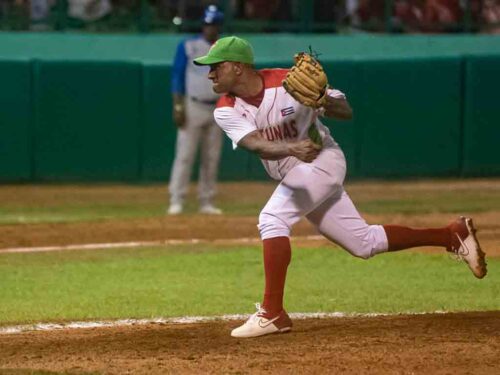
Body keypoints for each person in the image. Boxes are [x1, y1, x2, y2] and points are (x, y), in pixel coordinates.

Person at [193, 36, 488, 338]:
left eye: (216, 66)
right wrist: (294, 148)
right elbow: (255, 144)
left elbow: (346, 110)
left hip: (323, 161)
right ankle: (451, 235)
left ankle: (273, 314)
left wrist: (324, 100)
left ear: (239, 67)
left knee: (272, 219)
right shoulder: (225, 108)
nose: (210, 74)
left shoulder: (287, 82)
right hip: (297, 171)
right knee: (363, 243)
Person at [167, 4, 224, 215]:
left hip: (217, 107)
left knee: (211, 157)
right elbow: (177, 76)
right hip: (193, 105)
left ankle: (206, 200)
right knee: (185, 155)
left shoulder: (225, 48)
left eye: (214, 24)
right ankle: (176, 199)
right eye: (208, 24)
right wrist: (178, 105)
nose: (210, 28)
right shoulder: (189, 45)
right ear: (203, 25)